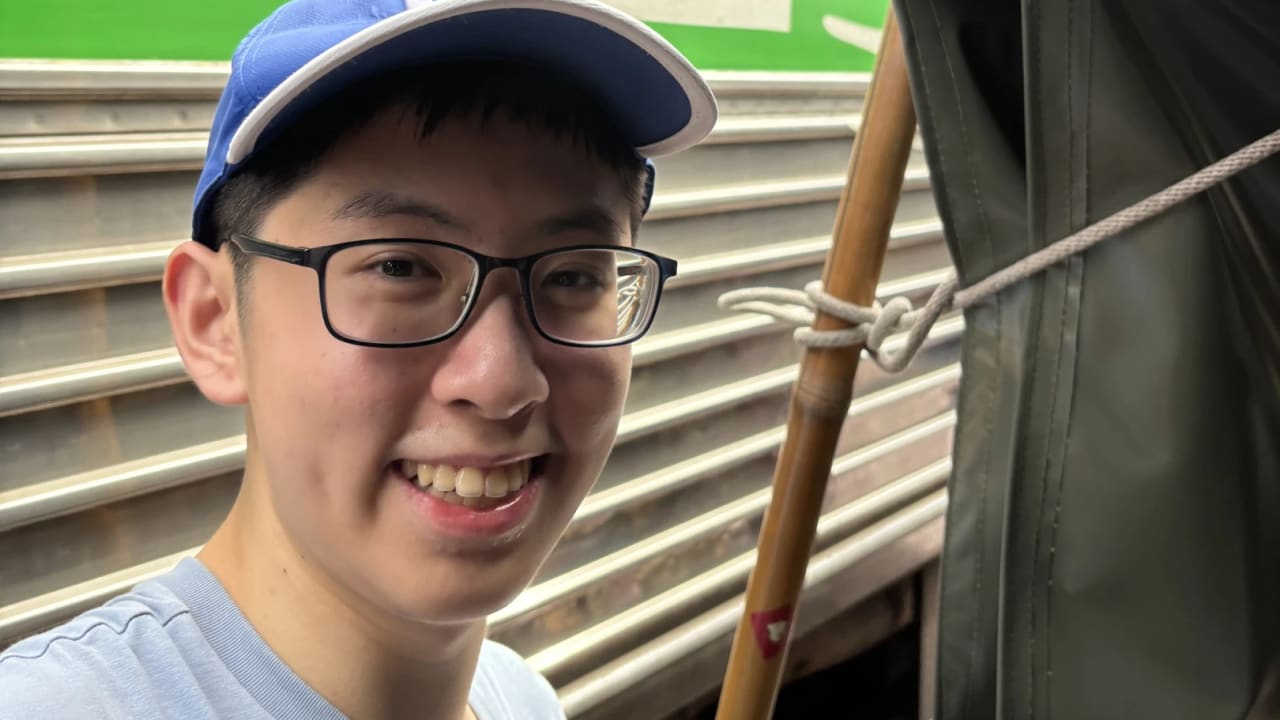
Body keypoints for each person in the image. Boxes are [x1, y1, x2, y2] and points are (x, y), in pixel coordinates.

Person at [0, 1, 716, 718]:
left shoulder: (523, 700)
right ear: (215, 319)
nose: (501, 382)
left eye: (575, 276)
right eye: (400, 268)